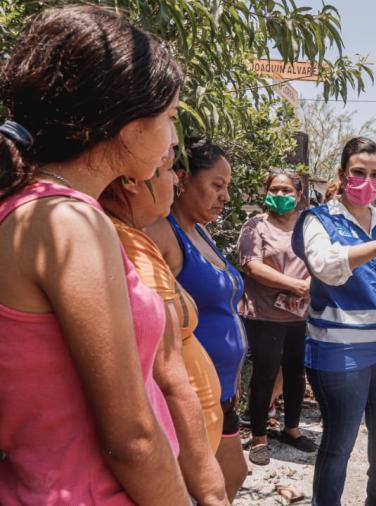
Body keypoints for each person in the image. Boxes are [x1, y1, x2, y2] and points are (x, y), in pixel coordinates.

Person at [0, 5, 189, 504]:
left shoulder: (30, 209)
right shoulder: (71, 223)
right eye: (170, 119)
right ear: (128, 125)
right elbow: (131, 439)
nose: (172, 140)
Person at [291, 137, 376, 505]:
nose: (367, 181)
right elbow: (325, 267)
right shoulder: (318, 220)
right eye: (359, 172)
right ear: (342, 174)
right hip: (342, 355)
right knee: (340, 444)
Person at [100, 153, 228, 504]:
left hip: (187, 454)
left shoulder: (133, 237)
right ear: (131, 181)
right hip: (176, 463)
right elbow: (166, 377)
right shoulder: (129, 241)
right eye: (170, 168)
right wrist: (212, 493)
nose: (175, 179)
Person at [147, 138, 248, 500]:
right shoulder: (162, 233)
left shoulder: (201, 231)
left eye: (227, 187)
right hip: (192, 393)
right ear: (182, 179)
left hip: (223, 391)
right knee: (207, 487)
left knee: (233, 475)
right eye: (216, 185)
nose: (225, 197)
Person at [238, 169, 318, 466]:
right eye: (275, 189)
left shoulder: (307, 227)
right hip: (265, 315)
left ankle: (291, 429)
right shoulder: (255, 226)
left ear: (299, 196)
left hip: (298, 314)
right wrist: (295, 285)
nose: (281, 195)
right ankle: (259, 437)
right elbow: (253, 266)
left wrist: (311, 285)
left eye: (287, 191)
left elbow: (320, 257)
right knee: (265, 374)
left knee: (296, 373)